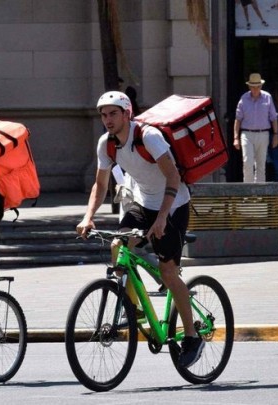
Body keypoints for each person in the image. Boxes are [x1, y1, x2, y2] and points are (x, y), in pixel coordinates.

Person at [76, 91, 204, 368]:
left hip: (174, 204)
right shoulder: (106, 144)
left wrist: (161, 218)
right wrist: (88, 216)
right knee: (117, 247)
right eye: (103, 114)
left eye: (113, 114)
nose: (107, 120)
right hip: (143, 202)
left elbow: (173, 176)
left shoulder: (148, 137)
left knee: (168, 272)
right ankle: (131, 305)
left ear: (126, 114)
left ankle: (192, 336)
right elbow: (100, 185)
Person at [233, 73, 278, 184]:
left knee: (261, 165)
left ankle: (259, 194)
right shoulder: (244, 98)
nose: (255, 89)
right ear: (249, 87)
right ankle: (248, 193)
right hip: (246, 134)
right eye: (253, 86)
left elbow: (273, 118)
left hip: (263, 134)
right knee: (247, 163)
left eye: (257, 86)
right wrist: (236, 137)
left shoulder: (267, 97)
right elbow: (238, 119)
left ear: (261, 86)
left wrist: (276, 135)